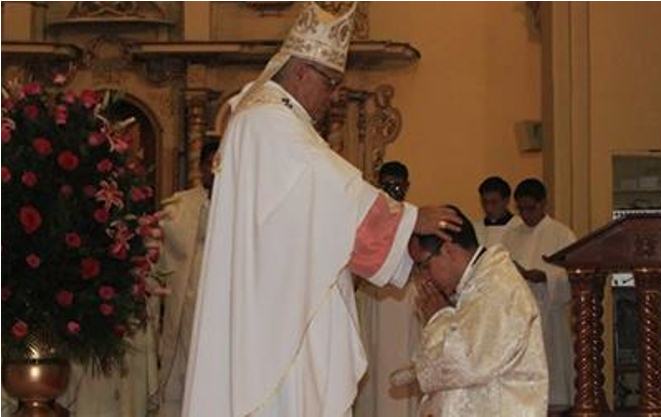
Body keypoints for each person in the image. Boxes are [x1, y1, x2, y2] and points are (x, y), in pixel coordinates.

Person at [181, 4, 461, 417]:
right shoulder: (267, 120)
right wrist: (408, 218)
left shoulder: (273, 117)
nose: (333, 96)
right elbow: (329, 187)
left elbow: (313, 206)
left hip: (284, 294)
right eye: (329, 82)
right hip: (275, 317)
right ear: (300, 72)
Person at [410, 206, 548, 417]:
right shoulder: (477, 284)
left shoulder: (496, 287)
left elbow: (462, 363)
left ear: (448, 249)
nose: (425, 278)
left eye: (424, 266)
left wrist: (438, 318)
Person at [154, 141, 218, 417]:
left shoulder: (249, 203)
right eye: (212, 164)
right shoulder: (181, 205)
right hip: (192, 296)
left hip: (228, 302)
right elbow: (165, 239)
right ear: (203, 168)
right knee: (187, 365)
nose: (217, 171)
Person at [502, 178, 577, 407]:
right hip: (519, 319)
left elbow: (573, 274)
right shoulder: (511, 234)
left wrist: (544, 277)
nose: (525, 215)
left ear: (543, 204)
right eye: (520, 209)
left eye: (530, 208)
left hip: (549, 317)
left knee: (552, 382)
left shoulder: (561, 234)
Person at [473, 176, 522, 247]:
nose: (488, 208)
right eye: (484, 202)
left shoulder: (519, 226)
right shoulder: (476, 229)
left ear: (506, 201)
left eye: (494, 202)